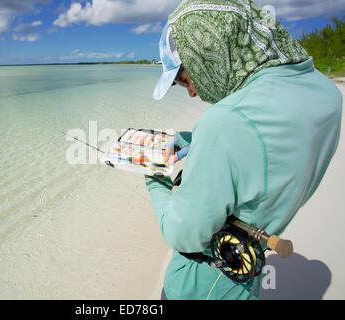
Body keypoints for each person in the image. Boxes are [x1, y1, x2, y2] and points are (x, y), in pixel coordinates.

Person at [146, 0, 342, 300]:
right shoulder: (327, 95)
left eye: (184, 79)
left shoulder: (225, 123)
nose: (193, 92)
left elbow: (183, 234)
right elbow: (263, 147)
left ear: (207, 53)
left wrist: (153, 175)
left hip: (201, 288)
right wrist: (193, 140)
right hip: (249, 273)